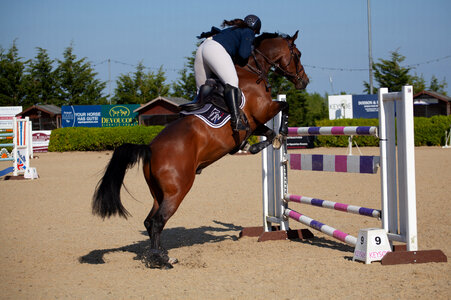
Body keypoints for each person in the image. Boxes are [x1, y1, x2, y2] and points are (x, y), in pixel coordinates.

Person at [192, 15, 261, 132]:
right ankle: (236, 120)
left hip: (202, 48)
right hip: (214, 49)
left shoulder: (234, 29)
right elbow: (243, 55)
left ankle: (191, 119)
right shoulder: (248, 32)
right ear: (255, 30)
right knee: (232, 82)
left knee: (201, 93)